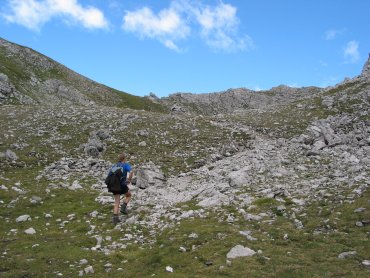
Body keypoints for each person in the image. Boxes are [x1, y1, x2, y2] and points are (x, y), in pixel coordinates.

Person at [111, 153, 133, 224]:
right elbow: (131, 172)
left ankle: (115, 219)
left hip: (114, 185)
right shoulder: (126, 165)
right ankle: (124, 206)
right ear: (124, 158)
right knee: (129, 195)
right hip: (122, 184)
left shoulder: (115, 165)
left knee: (117, 202)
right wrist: (129, 180)